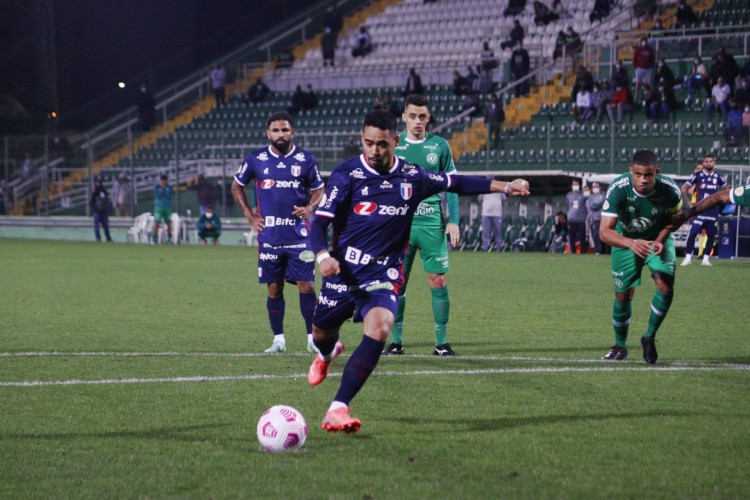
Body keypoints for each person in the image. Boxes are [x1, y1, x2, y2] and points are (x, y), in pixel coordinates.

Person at [306, 109, 530, 433]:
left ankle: (338, 408)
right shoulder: (347, 174)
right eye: (368, 143)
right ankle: (327, 353)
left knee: (381, 327)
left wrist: (504, 186)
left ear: (395, 141)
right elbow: (320, 222)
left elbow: (457, 182)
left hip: (383, 273)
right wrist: (323, 256)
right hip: (343, 272)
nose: (374, 151)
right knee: (321, 334)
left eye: (382, 144)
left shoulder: (413, 176)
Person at [231, 111, 324, 354]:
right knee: (274, 288)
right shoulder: (255, 159)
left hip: (299, 237)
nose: (280, 134)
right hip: (270, 237)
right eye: (275, 130)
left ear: (292, 132)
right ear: (268, 133)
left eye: (284, 130)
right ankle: (279, 340)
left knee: (307, 285)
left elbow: (319, 189)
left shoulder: (306, 159)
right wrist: (250, 216)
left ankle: (312, 339)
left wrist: (310, 207)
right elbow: (236, 186)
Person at [380, 94, 462, 357]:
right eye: (412, 116)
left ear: (428, 118)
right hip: (399, 224)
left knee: (437, 280)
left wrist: (454, 220)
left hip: (430, 222)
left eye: (422, 117)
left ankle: (441, 343)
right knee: (396, 283)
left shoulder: (440, 146)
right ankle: (397, 342)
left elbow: (454, 185)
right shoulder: (393, 145)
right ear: (404, 117)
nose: (417, 121)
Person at [600, 149, 683, 364]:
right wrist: (630, 243)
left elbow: (677, 218)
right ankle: (620, 346)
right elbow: (604, 231)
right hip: (626, 241)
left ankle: (649, 337)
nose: (643, 180)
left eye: (648, 175)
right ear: (631, 171)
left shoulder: (670, 189)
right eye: (638, 174)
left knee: (665, 285)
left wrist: (662, 238)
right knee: (623, 295)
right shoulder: (619, 188)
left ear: (656, 172)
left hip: (657, 239)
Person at [680, 154, 727, 267]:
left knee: (711, 235)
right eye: (706, 161)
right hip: (699, 210)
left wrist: (720, 202)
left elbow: (727, 190)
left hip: (713, 211)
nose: (708, 163)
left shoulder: (718, 177)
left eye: (711, 161)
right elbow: (684, 188)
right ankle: (688, 258)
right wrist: (690, 203)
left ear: (714, 163)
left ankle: (706, 259)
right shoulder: (697, 176)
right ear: (704, 163)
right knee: (693, 233)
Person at [566, 179, 588, 253]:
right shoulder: (569, 195)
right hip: (571, 219)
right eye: (574, 184)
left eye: (576, 184)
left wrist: (586, 190)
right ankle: (572, 251)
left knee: (582, 237)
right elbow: (568, 206)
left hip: (581, 219)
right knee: (571, 237)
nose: (575, 186)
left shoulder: (583, 195)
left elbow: (589, 198)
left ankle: (583, 252)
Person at [152, 174, 173, 244]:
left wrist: (163, 190)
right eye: (162, 180)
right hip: (159, 207)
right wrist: (163, 190)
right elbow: (158, 195)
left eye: (165, 180)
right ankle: (154, 238)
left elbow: (168, 195)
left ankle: (170, 238)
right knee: (156, 222)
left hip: (167, 207)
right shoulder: (156, 187)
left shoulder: (169, 187)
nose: (163, 182)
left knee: (169, 223)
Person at [632, 37, 655, 103]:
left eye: (645, 41)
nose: (644, 43)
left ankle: (647, 96)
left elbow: (652, 58)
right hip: (639, 68)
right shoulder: (638, 50)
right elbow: (634, 59)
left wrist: (651, 66)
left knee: (647, 84)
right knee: (637, 83)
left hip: (648, 69)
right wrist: (635, 67)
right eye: (643, 41)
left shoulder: (649, 49)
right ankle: (636, 96)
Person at [90, 178, 113, 242]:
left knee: (106, 226)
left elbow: (106, 200)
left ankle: (108, 238)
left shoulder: (104, 191)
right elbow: (92, 202)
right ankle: (98, 237)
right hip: (97, 212)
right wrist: (94, 209)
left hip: (103, 212)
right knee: (97, 226)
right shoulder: (94, 193)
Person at [586, 181, 606, 254]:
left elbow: (605, 202)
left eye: (597, 187)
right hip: (595, 218)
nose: (595, 188)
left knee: (604, 235)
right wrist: (601, 203)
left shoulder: (604, 195)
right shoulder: (591, 197)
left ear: (600, 187)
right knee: (595, 235)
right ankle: (598, 250)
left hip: (604, 218)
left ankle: (605, 251)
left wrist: (597, 204)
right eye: (594, 187)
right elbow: (592, 207)